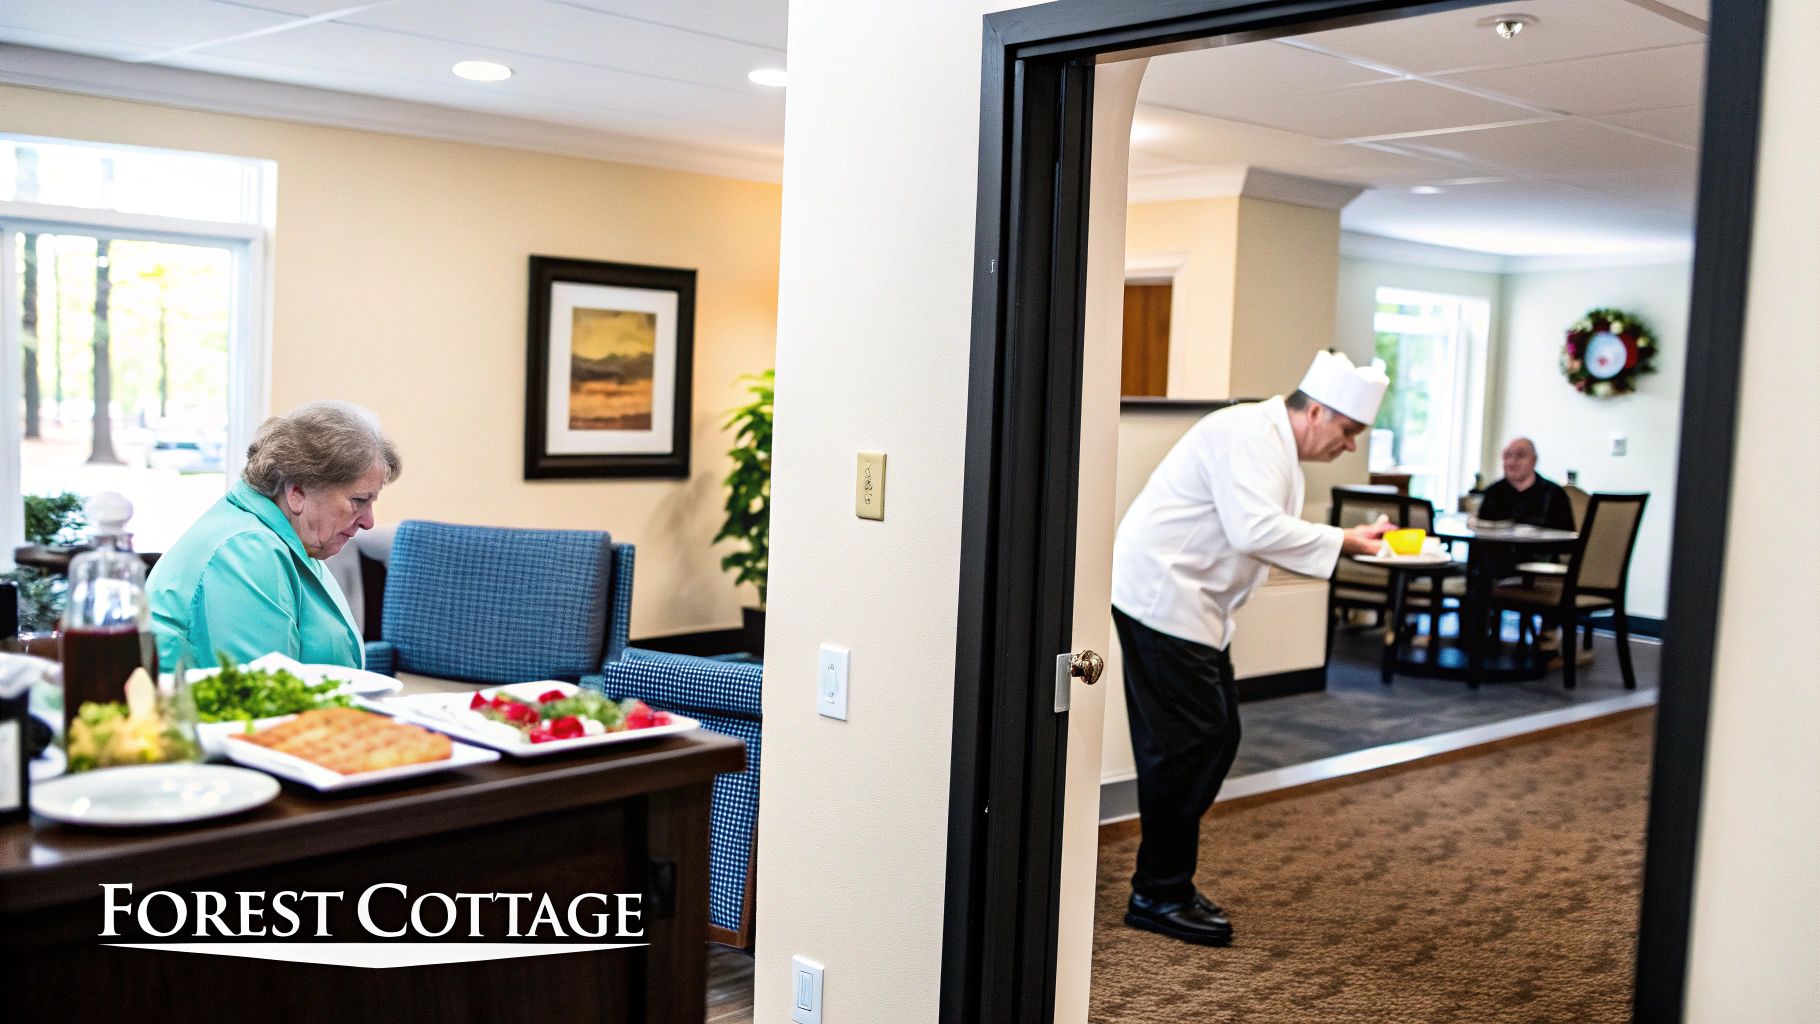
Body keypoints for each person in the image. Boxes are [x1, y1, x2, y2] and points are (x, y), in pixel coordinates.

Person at [1111, 350, 1393, 947]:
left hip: (1194, 606)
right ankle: (1158, 891)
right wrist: (1345, 540)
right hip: (1161, 597)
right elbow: (1254, 531)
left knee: (1211, 739)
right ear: (1316, 411)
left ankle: (1166, 882)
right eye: (1347, 432)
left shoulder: (1272, 440)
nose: (1348, 446)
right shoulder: (1249, 433)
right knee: (1187, 746)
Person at [147, 401, 401, 671]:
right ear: (297, 493)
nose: (369, 522)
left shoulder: (291, 540)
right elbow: (264, 695)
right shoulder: (248, 550)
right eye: (359, 500)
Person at [1476, 437, 1575, 531]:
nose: (1512, 462)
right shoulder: (1493, 492)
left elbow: (1567, 541)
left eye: (1520, 456)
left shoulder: (1554, 494)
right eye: (1507, 456)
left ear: (1534, 460)